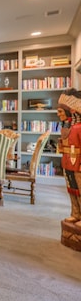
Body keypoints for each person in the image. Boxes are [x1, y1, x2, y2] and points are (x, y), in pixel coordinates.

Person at [57, 89, 81, 225]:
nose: (58, 114)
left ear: (71, 111)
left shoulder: (79, 128)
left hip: (77, 163)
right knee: (72, 189)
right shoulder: (66, 128)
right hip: (67, 163)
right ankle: (75, 213)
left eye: (60, 111)